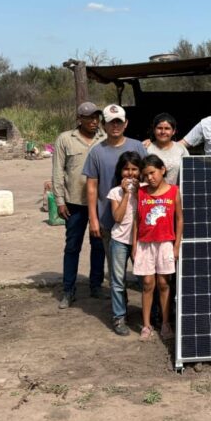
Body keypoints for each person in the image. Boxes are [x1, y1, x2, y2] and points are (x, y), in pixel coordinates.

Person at [83, 104, 147, 296]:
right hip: (109, 221)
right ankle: (120, 314)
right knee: (116, 274)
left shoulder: (137, 147)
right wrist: (93, 219)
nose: (115, 126)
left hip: (138, 222)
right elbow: (92, 187)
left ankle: (149, 314)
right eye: (111, 123)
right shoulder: (96, 152)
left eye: (119, 122)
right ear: (103, 125)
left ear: (126, 123)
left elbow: (147, 178)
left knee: (144, 271)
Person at [52, 102, 106, 309]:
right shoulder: (66, 139)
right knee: (72, 246)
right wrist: (59, 200)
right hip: (74, 203)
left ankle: (96, 286)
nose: (94, 121)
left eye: (96, 117)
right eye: (89, 117)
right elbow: (58, 171)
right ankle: (68, 290)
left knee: (99, 246)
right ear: (79, 119)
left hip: (100, 203)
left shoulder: (104, 138)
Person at [133, 155, 183, 342]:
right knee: (147, 284)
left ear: (162, 170)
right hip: (145, 244)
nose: (150, 178)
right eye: (146, 175)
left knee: (163, 283)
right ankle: (146, 325)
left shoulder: (173, 191)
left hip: (165, 244)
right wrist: (135, 244)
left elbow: (179, 219)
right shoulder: (141, 192)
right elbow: (137, 220)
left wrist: (176, 245)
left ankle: (165, 322)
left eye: (153, 173)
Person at [106, 151, 141, 336]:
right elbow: (117, 217)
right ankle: (119, 316)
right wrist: (127, 194)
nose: (130, 173)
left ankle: (151, 314)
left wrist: (137, 193)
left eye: (134, 169)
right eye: (126, 169)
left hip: (141, 243)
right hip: (119, 241)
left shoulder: (144, 190)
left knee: (145, 280)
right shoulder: (115, 192)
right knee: (118, 282)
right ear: (121, 172)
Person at [146, 113, 189, 185]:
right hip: (153, 194)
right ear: (154, 130)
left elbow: (189, 172)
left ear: (173, 131)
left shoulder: (181, 148)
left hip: (176, 193)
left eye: (167, 128)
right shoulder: (147, 149)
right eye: (159, 128)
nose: (163, 132)